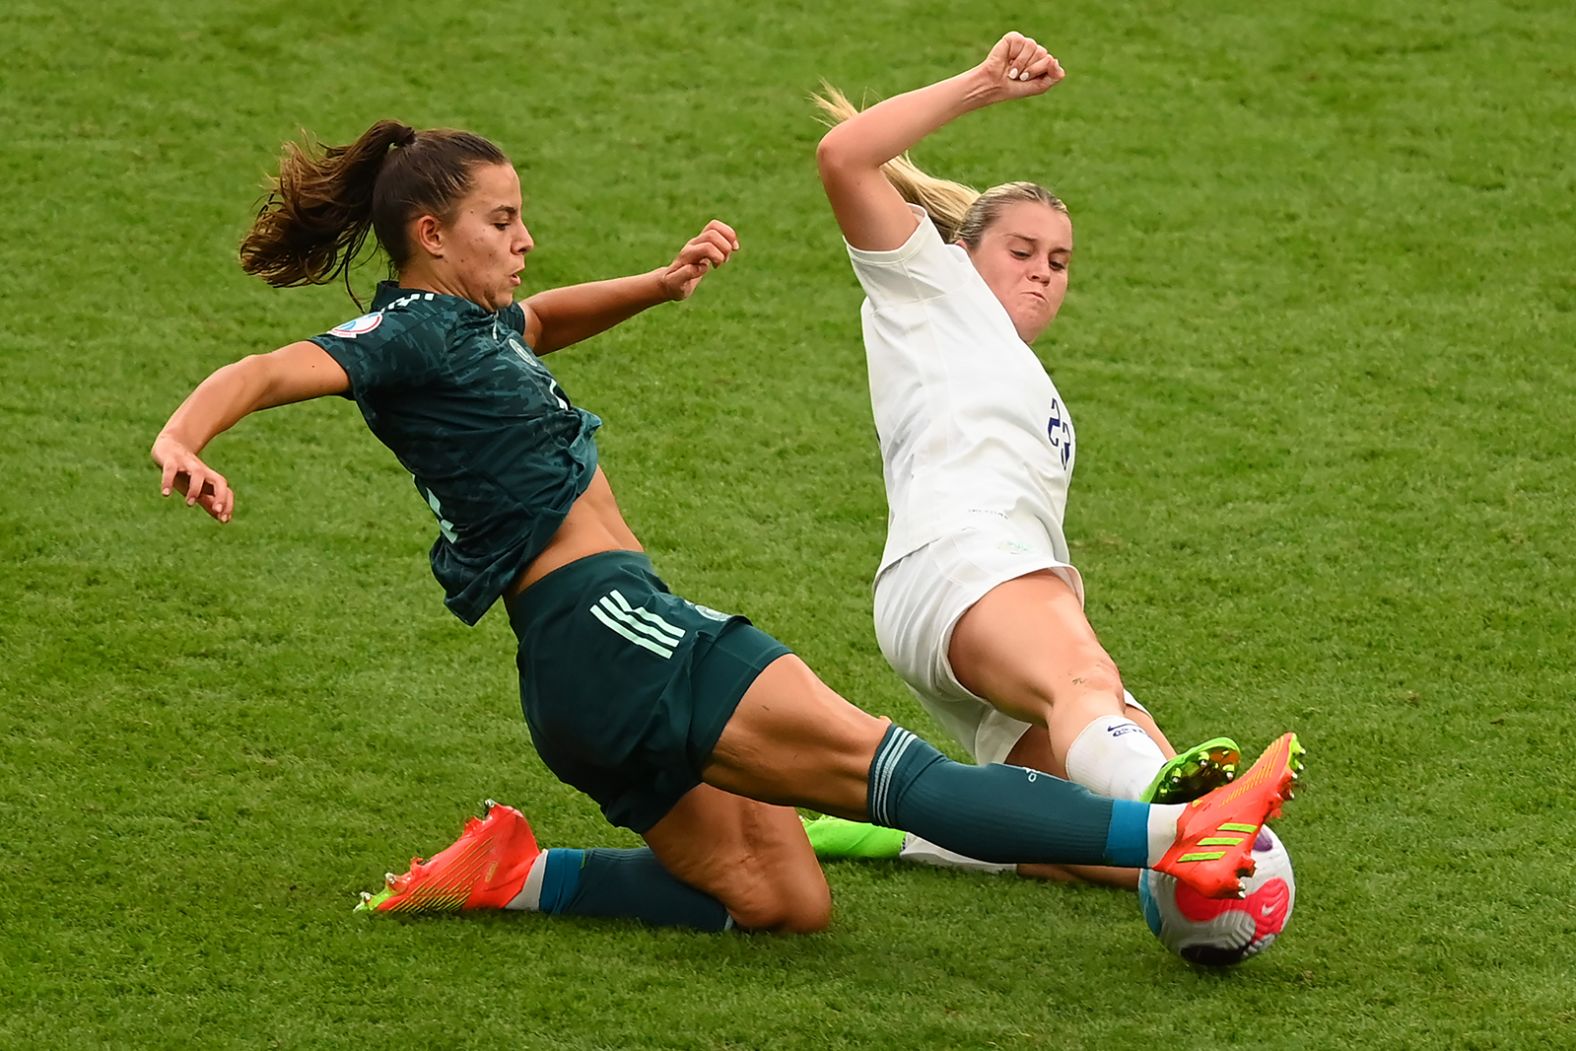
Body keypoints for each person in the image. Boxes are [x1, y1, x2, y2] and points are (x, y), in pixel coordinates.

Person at [150, 118, 1302, 935]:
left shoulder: (476, 325)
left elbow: (539, 320)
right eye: (502, 220)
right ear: (430, 232)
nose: (524, 238)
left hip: (571, 688)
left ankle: (518, 876)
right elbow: (264, 366)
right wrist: (186, 439)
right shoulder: (400, 337)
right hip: (617, 630)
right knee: (885, 770)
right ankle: (1178, 838)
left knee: (784, 902)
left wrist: (654, 285)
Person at [805, 32, 1269, 888]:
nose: (1043, 273)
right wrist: (983, 84)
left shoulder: (1034, 383)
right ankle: (1186, 818)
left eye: (1059, 261)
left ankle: (898, 832)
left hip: (961, 593)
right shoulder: (929, 284)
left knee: (1163, 861)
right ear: (965, 251)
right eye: (1020, 251)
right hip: (965, 566)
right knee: (1099, 695)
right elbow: (844, 155)